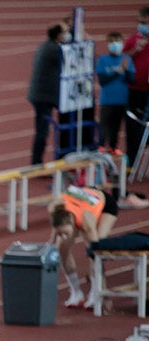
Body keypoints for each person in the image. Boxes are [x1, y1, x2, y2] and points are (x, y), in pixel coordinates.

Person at [48, 185, 120, 309]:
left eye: (66, 233)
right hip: (81, 198)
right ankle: (76, 293)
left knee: (96, 251)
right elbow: (56, 227)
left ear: (73, 224)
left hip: (105, 205)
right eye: (61, 233)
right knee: (61, 249)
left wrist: (105, 294)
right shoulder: (54, 208)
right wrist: (53, 241)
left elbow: (96, 253)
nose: (64, 236)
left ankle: (95, 292)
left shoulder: (86, 222)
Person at [27, 22, 68, 165]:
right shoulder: (54, 50)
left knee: (42, 129)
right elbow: (71, 60)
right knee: (42, 130)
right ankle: (36, 163)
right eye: (65, 33)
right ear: (58, 35)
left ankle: (37, 162)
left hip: (40, 95)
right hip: (44, 96)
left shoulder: (46, 46)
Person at [97, 32, 135, 153]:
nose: (115, 45)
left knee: (116, 128)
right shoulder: (103, 60)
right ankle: (101, 148)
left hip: (122, 100)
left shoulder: (127, 59)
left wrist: (127, 70)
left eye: (117, 42)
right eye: (112, 42)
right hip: (107, 101)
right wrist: (118, 71)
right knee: (104, 128)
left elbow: (132, 80)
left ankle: (113, 148)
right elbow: (103, 81)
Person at [124, 7, 149, 168]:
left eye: (145, 23)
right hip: (133, 90)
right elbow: (122, 61)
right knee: (132, 127)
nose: (142, 26)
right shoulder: (133, 40)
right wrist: (134, 51)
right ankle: (130, 163)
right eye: (140, 22)